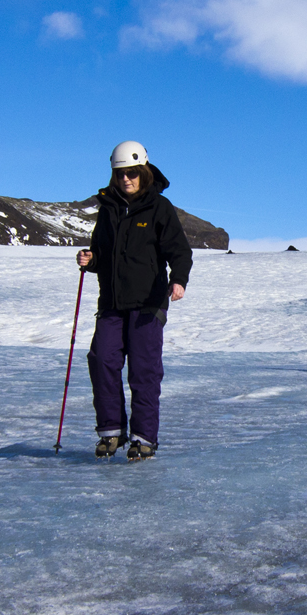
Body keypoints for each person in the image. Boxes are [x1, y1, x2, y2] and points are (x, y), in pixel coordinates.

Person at [77, 140, 193, 461]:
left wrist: (178, 279)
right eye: (120, 174)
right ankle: (111, 432)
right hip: (112, 302)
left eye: (131, 173)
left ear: (142, 171)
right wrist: (90, 259)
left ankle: (144, 437)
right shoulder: (108, 210)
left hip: (147, 303)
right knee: (102, 361)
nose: (125, 179)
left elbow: (179, 251)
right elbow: (102, 255)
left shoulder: (160, 208)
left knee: (143, 370)